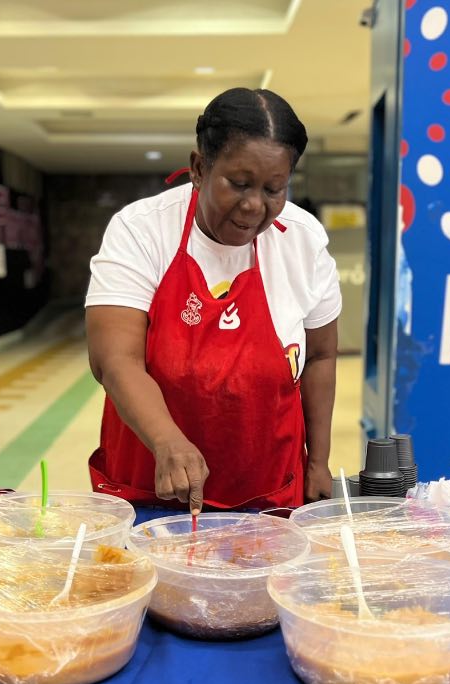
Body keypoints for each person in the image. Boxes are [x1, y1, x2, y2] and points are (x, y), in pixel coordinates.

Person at [86, 88, 341, 513]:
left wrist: (318, 462)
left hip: (268, 493)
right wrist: (166, 440)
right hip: (153, 491)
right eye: (238, 184)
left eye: (274, 189)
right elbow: (115, 360)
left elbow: (320, 356)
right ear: (199, 168)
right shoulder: (141, 230)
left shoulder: (303, 241)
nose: (253, 206)